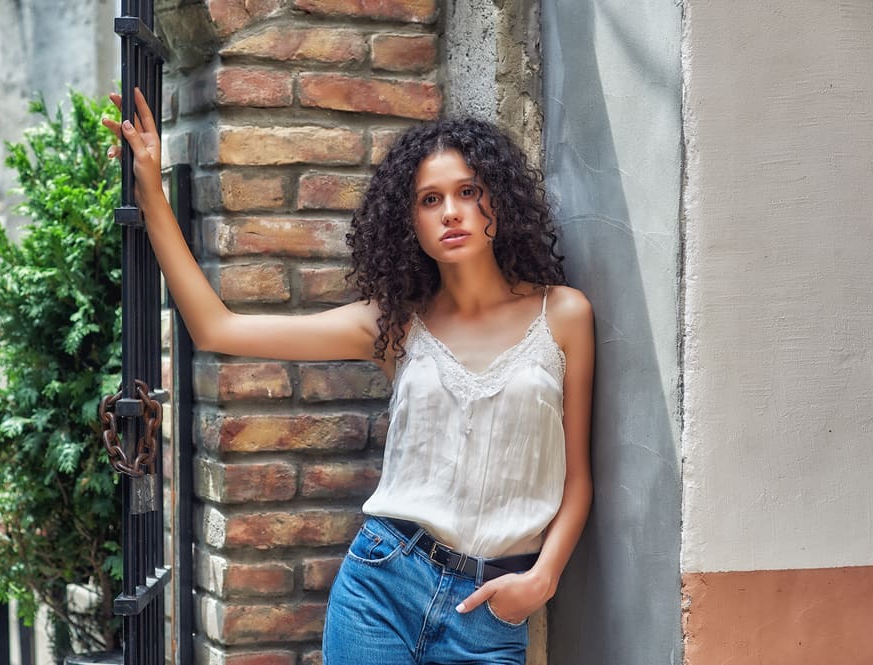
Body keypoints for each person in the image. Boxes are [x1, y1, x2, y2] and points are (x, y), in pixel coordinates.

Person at [104, 88, 594, 664]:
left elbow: (577, 478)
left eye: (468, 191)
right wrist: (152, 195)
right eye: (429, 200)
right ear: (409, 221)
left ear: (499, 199)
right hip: (382, 589)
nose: (452, 212)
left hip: (490, 610)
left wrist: (543, 580)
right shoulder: (393, 326)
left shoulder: (562, 316)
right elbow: (218, 330)